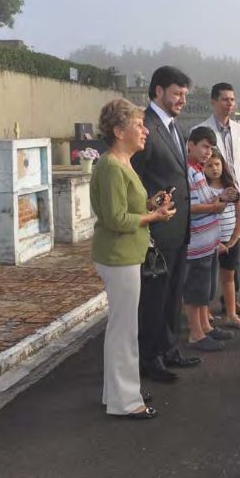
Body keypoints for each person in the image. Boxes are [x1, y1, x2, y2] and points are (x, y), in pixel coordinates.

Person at [90, 98, 176, 419]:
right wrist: (154, 218)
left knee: (121, 328)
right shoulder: (112, 165)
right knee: (125, 330)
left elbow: (129, 209)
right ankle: (125, 402)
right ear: (117, 130)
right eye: (138, 125)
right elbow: (115, 219)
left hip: (126, 253)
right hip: (118, 255)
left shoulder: (123, 163)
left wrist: (153, 205)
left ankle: (117, 393)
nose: (145, 131)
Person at [131, 66, 199, 382]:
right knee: (153, 299)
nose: (181, 100)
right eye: (176, 93)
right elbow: (134, 178)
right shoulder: (144, 127)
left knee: (173, 294)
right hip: (156, 230)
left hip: (178, 227)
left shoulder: (174, 127)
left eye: (184, 95)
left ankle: (169, 348)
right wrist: (148, 210)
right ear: (158, 91)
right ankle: (149, 358)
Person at [193, 82, 240, 315]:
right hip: (211, 194)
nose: (230, 103)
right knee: (207, 256)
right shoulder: (201, 129)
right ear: (213, 101)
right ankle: (202, 310)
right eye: (225, 99)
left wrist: (239, 191)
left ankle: (231, 302)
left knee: (232, 253)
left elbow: (236, 161)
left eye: (232, 99)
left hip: (233, 192)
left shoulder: (238, 129)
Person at [184, 126, 234, 351]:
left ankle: (206, 326)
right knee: (195, 289)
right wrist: (216, 206)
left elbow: (204, 197)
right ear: (191, 144)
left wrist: (221, 197)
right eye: (204, 146)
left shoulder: (198, 169)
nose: (207, 152)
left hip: (208, 240)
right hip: (196, 242)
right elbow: (190, 206)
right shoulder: (187, 170)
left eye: (211, 148)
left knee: (205, 288)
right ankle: (195, 333)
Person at [203, 149, 240, 330]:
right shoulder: (204, 189)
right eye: (209, 165)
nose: (214, 169)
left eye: (217, 164)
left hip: (230, 241)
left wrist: (233, 239)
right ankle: (204, 311)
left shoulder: (230, 187)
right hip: (209, 241)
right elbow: (207, 210)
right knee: (206, 277)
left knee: (228, 276)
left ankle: (231, 314)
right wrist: (216, 243)